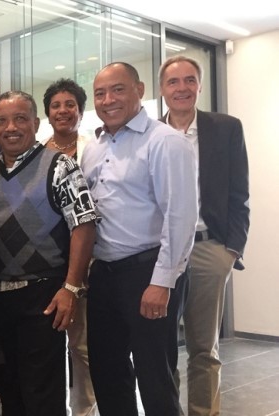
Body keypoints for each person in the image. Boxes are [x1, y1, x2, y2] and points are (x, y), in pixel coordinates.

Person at [80, 62, 198, 416]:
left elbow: (180, 216)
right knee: (107, 372)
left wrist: (162, 282)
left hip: (147, 271)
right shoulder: (94, 147)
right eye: (100, 93)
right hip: (104, 273)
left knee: (154, 375)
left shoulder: (165, 141)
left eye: (118, 89)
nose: (108, 100)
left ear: (140, 90)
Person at [0, 90, 97, 416]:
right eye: (2, 121)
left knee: (42, 394)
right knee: (9, 389)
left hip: (45, 294)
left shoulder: (60, 165)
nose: (10, 128)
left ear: (35, 123)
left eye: (20, 119)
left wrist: (71, 287)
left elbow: (84, 224)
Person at [158, 56, 250, 416]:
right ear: (162, 89)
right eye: (173, 81)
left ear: (199, 85)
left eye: (189, 80)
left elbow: (239, 193)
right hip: (161, 253)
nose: (181, 88)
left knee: (203, 348)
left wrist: (232, 249)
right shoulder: (151, 133)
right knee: (162, 347)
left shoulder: (226, 128)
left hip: (209, 248)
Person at [41, 78, 98, 416]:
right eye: (56, 105)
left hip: (86, 259)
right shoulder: (37, 154)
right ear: (47, 113)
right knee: (50, 344)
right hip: (49, 261)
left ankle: (84, 410)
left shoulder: (95, 149)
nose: (63, 111)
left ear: (80, 110)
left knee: (82, 346)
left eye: (70, 105)